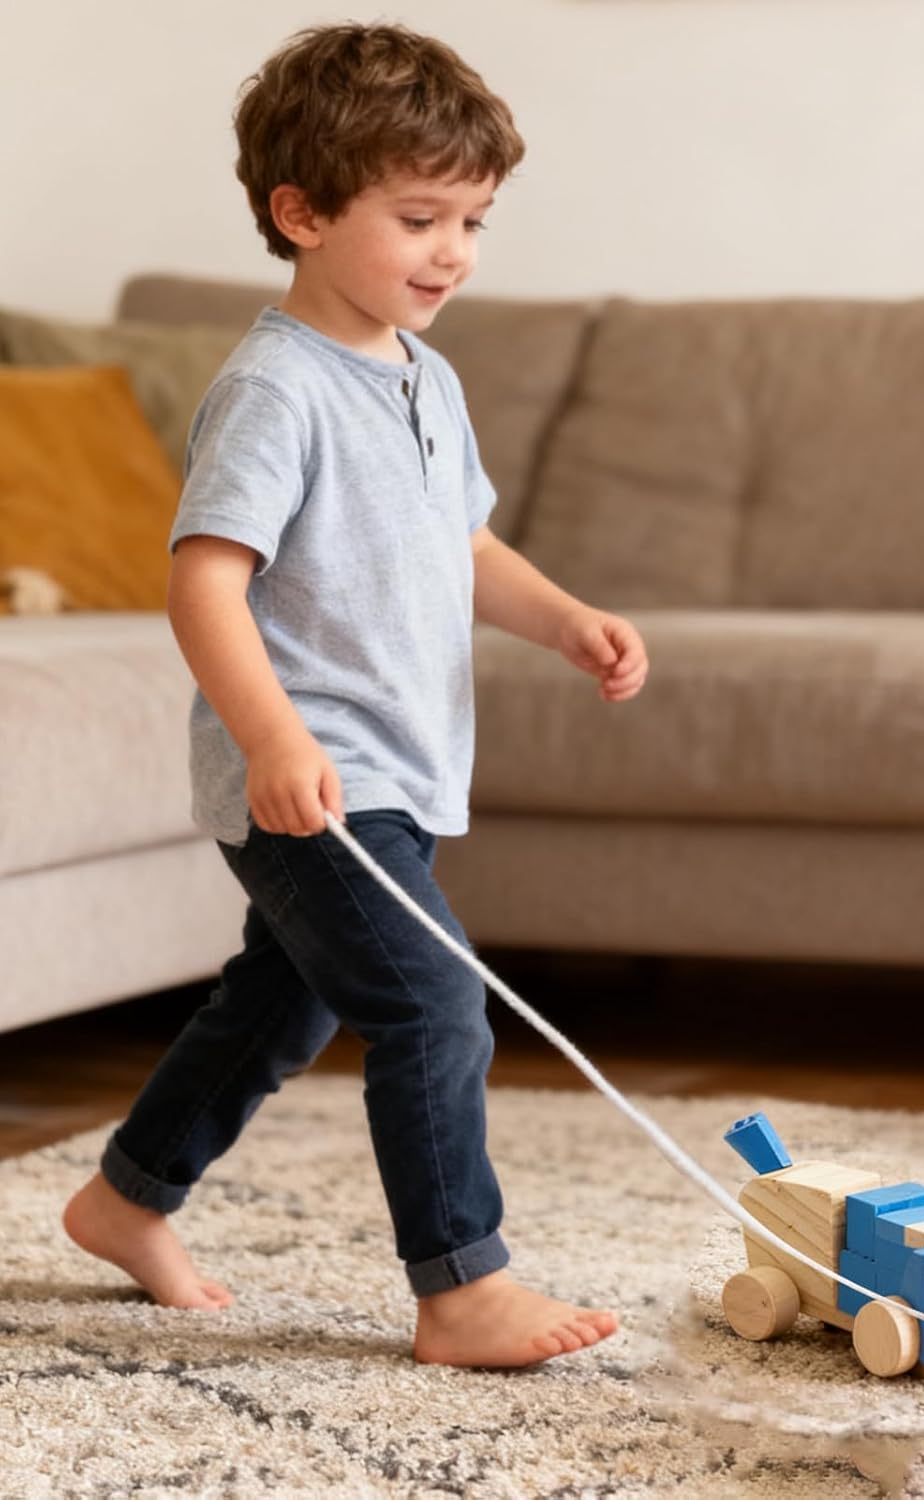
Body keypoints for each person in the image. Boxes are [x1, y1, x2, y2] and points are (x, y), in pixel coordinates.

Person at [61, 22, 647, 1369]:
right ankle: (462, 1286)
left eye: (473, 221)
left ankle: (126, 1198)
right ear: (304, 213)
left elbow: (463, 545)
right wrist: (271, 737)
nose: (454, 253)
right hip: (316, 776)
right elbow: (204, 583)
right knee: (433, 1004)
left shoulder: (427, 377)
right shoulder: (276, 387)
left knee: (283, 1004)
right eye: (420, 218)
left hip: (402, 767)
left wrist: (565, 620)